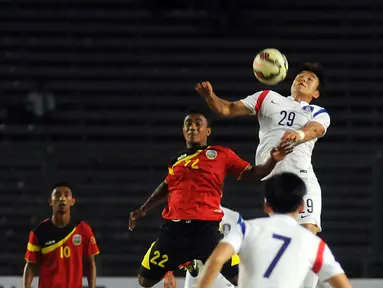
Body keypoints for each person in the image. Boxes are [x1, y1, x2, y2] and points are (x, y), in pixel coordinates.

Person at [195, 62, 330, 288]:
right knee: (283, 242)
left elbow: (314, 129)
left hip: (302, 180)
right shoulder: (267, 97)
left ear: (316, 92)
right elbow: (226, 109)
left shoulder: (317, 112)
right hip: (273, 183)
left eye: (310, 79)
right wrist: (210, 96)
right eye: (301, 75)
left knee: (307, 239)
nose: (303, 79)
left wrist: (298, 134)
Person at [129, 107, 293, 288]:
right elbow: (167, 186)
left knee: (241, 280)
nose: (192, 127)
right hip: (173, 232)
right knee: (144, 281)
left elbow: (253, 174)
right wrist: (142, 209)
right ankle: (187, 262)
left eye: (198, 124)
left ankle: (194, 259)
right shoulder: (177, 160)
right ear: (183, 131)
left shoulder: (222, 154)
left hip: (206, 231)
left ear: (207, 131)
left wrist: (273, 160)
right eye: (188, 124)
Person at [197, 172, 352, 288]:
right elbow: (342, 284)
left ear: (266, 205)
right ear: (301, 206)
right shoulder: (314, 243)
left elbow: (217, 259)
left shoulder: (246, 229)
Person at [23, 183, 99, 288]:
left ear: (72, 201)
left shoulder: (83, 229)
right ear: (50, 201)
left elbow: (90, 263)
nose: (62, 198)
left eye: (66, 195)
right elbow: (30, 265)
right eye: (58, 195)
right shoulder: (38, 232)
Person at [164, 206, 242, 288]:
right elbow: (171, 240)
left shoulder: (233, 218)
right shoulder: (187, 214)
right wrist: (168, 273)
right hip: (196, 272)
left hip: (222, 274)